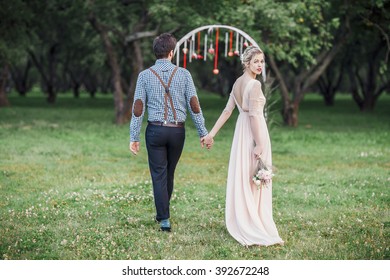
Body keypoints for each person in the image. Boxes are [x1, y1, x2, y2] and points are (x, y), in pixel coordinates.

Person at [129, 33, 211, 232]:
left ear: (156, 53)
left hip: (155, 130)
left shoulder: (145, 75)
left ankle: (164, 218)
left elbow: (138, 108)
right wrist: (203, 132)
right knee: (169, 172)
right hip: (177, 132)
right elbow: (194, 106)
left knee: (159, 174)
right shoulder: (184, 74)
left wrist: (134, 136)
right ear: (172, 52)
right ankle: (162, 213)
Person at [203, 46, 284, 246]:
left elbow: (228, 111)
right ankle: (253, 222)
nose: (259, 65)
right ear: (246, 63)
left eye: (262, 61)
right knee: (254, 176)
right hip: (253, 132)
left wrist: (211, 134)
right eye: (256, 61)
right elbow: (254, 116)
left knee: (248, 175)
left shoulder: (237, 83)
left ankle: (245, 218)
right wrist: (260, 143)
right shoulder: (254, 86)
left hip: (241, 131)